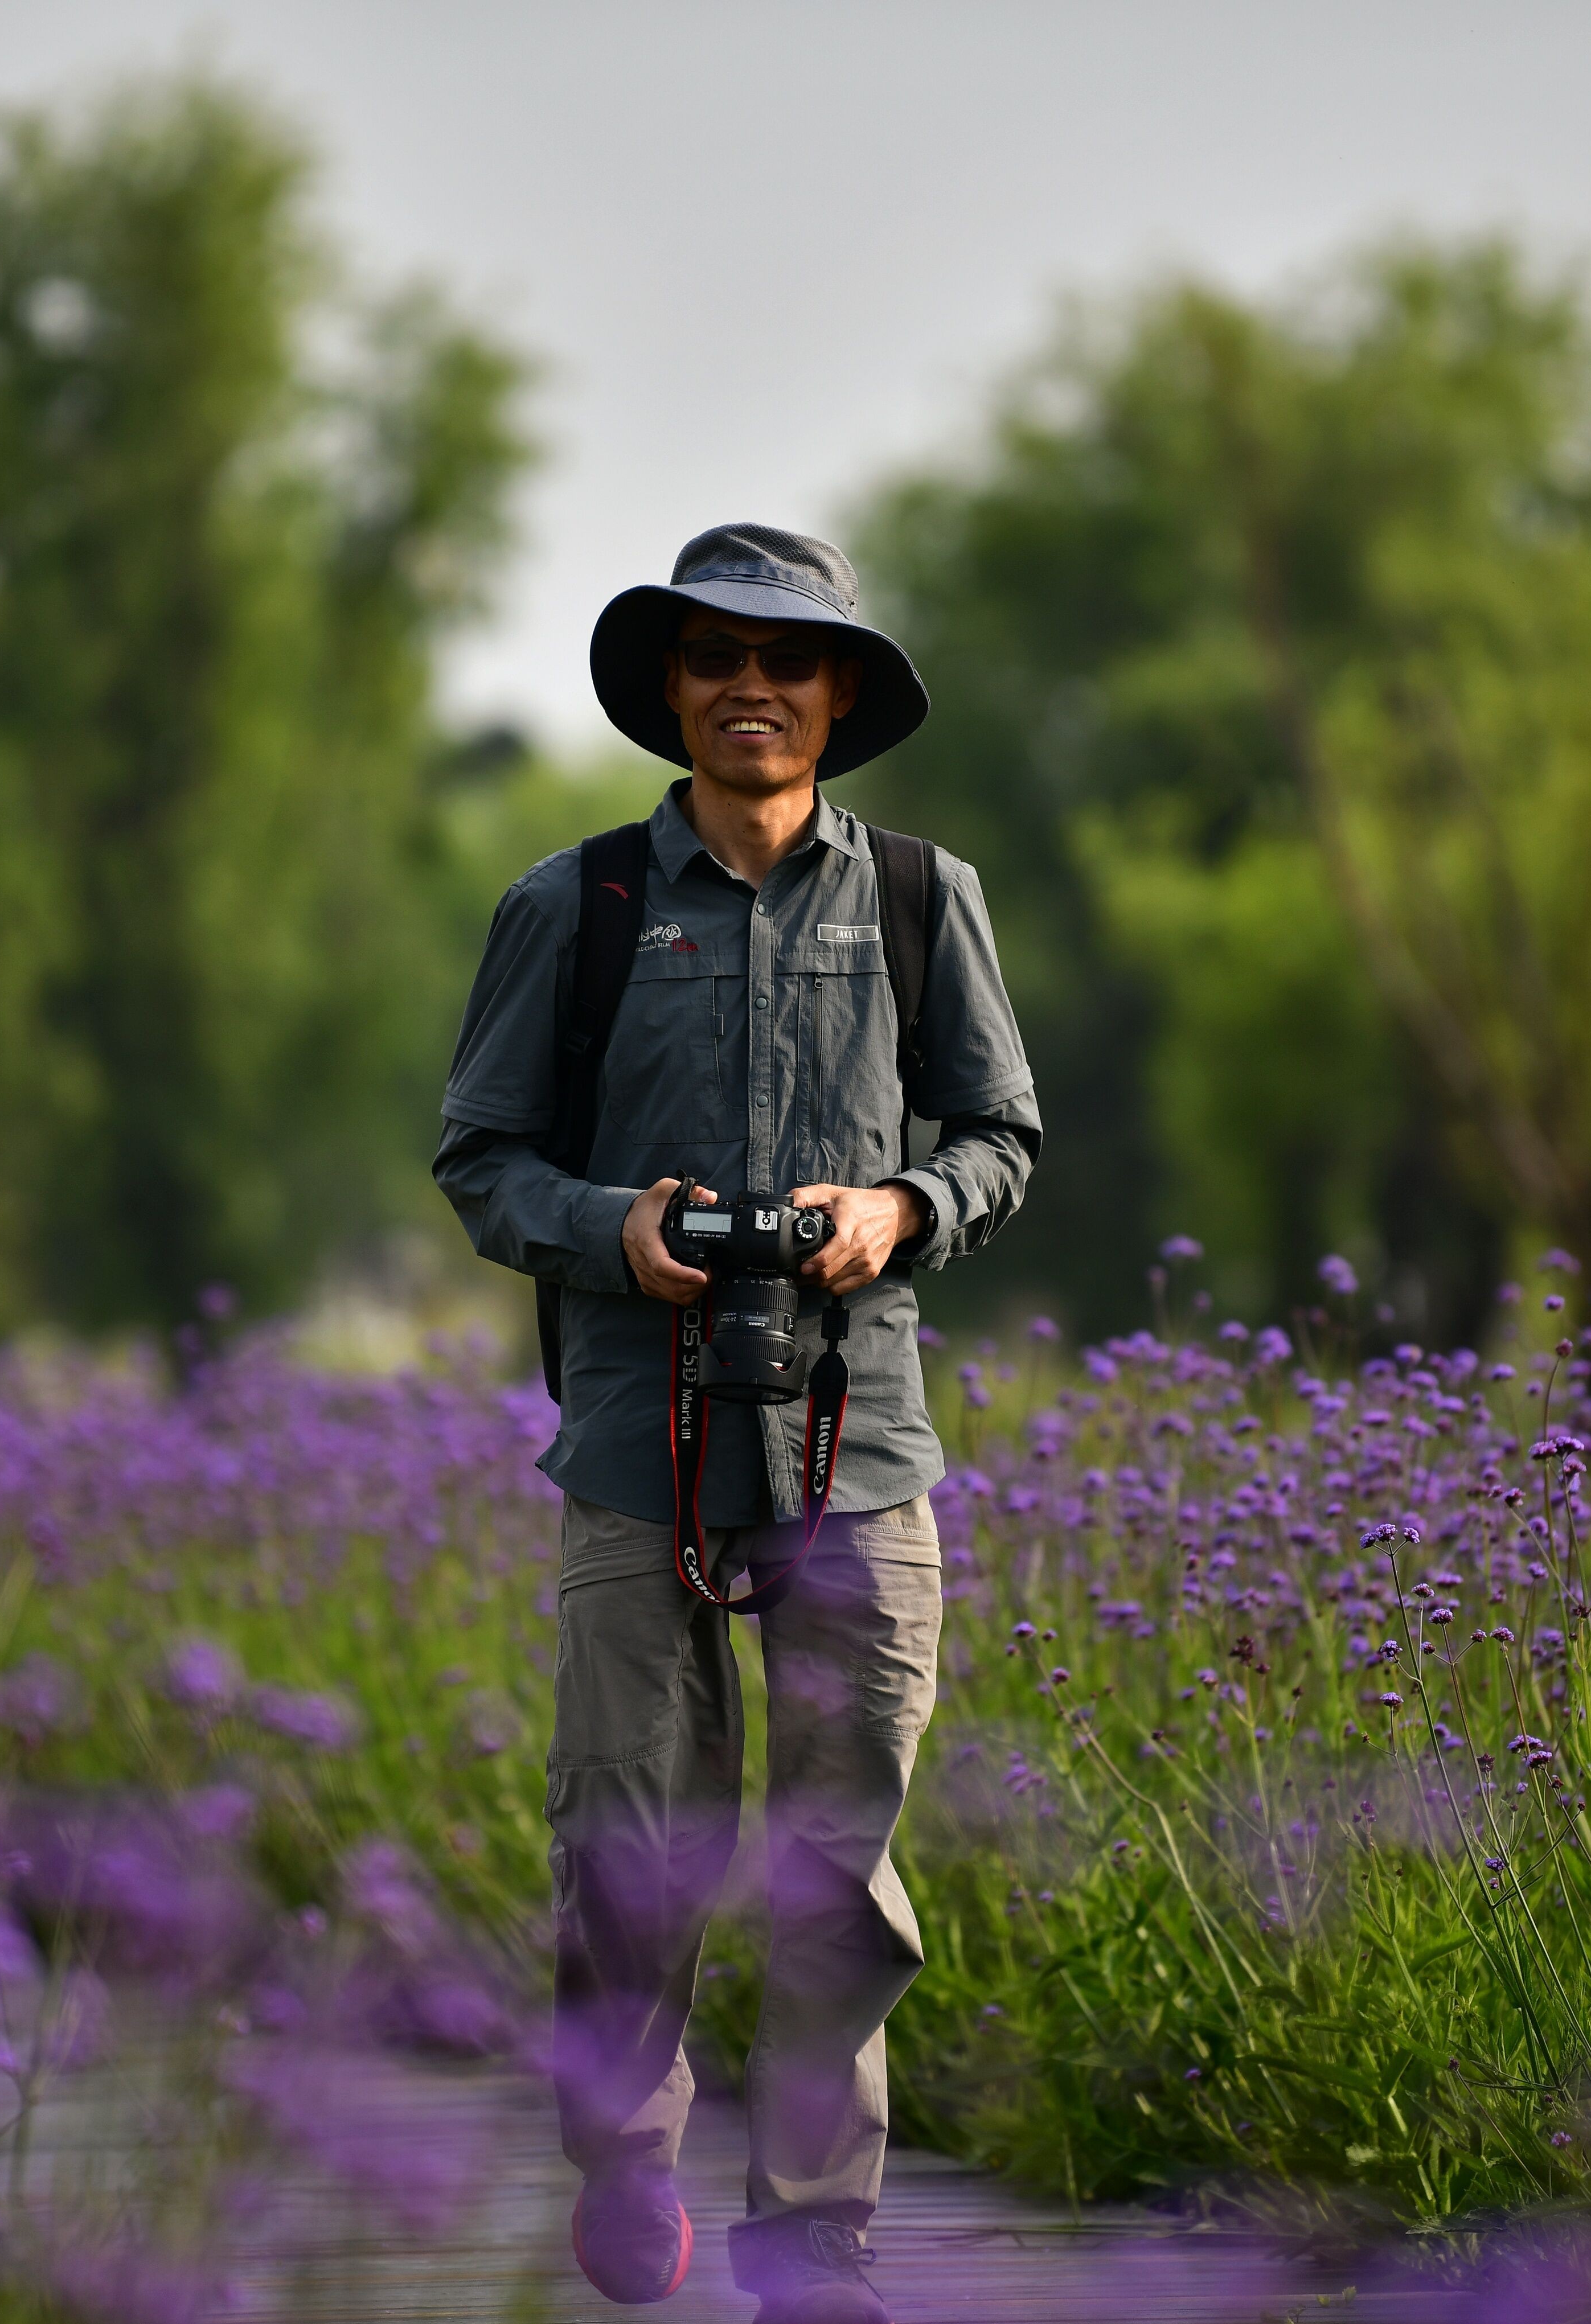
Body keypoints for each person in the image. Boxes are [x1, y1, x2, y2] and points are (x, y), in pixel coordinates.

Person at [435, 524, 1038, 2323]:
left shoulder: (926, 899)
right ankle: (622, 2143)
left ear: (842, 693)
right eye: (712, 657)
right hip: (638, 1439)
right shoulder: (577, 907)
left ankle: (812, 2232)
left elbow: (999, 1137)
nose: (749, 687)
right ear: (673, 691)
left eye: (787, 659)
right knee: (629, 1822)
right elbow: (480, 1158)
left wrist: (899, 1213)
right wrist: (610, 1227)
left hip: (860, 1445)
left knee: (837, 1855)